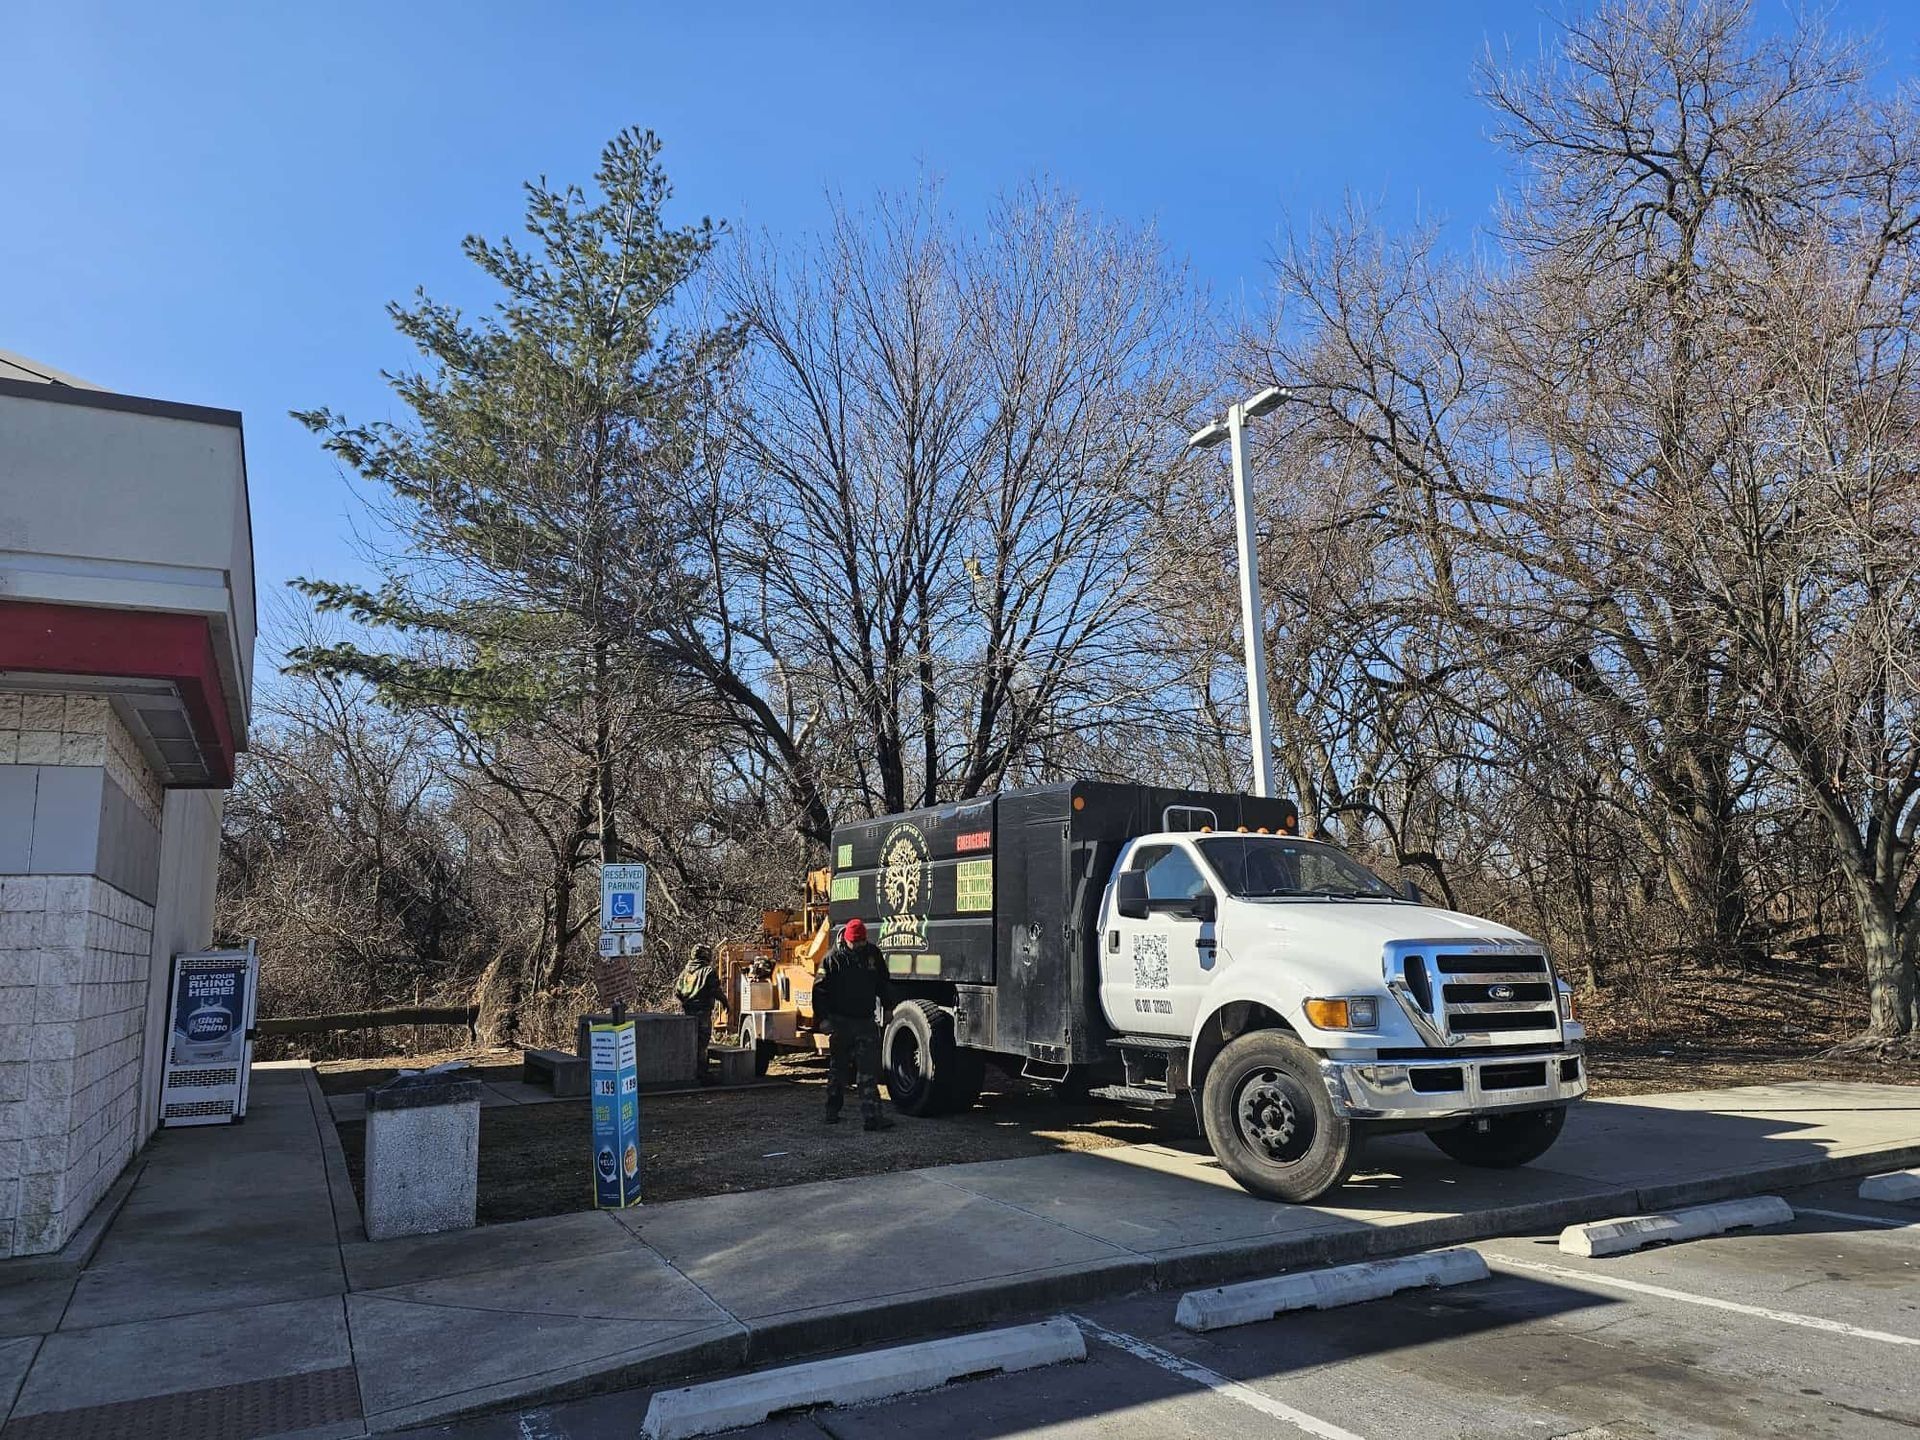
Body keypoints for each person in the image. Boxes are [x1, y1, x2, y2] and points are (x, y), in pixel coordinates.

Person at [813, 917, 892, 1130]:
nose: (859, 946)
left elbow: (883, 982)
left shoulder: (872, 954)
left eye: (862, 942)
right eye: (855, 942)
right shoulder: (832, 959)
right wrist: (823, 1019)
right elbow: (819, 991)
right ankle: (832, 1110)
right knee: (838, 1069)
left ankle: (872, 1117)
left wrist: (888, 1007)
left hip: (865, 1020)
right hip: (841, 1022)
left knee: (868, 1070)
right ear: (846, 939)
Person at [674, 943, 723, 1085]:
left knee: (690, 1043)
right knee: (702, 1045)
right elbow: (715, 990)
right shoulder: (708, 971)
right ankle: (702, 1074)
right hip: (703, 1013)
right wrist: (725, 1002)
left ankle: (689, 1072)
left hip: (688, 1013)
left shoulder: (685, 972)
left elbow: (677, 991)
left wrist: (687, 1002)